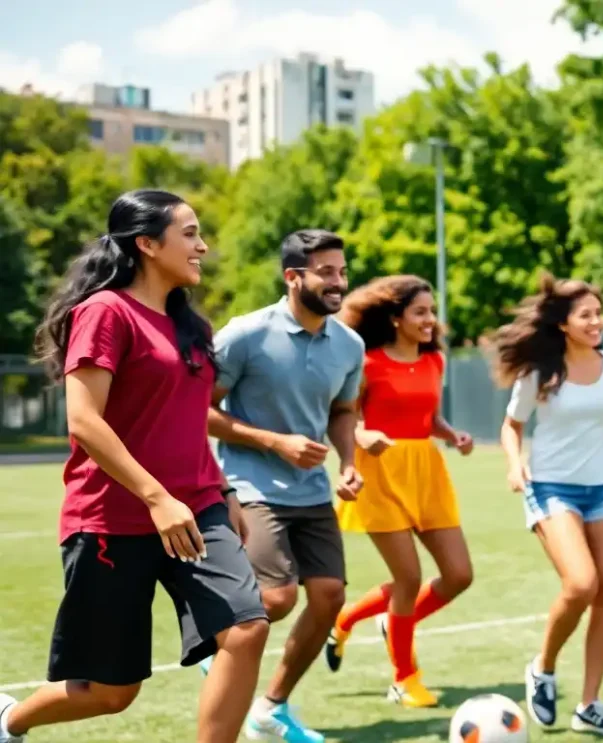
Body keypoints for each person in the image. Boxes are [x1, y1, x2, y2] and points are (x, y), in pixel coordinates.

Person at [0, 190, 269, 743]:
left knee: (247, 628)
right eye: (190, 234)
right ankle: (9, 721)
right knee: (111, 692)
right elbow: (85, 421)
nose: (203, 246)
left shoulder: (192, 327)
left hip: (196, 510)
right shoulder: (104, 312)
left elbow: (191, 422)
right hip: (111, 520)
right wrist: (155, 498)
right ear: (147, 244)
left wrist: (224, 494)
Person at [204, 229, 366, 743]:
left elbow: (343, 412)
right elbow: (200, 411)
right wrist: (274, 442)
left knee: (329, 595)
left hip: (313, 489)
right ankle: (218, 647)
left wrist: (347, 462)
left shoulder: (349, 344)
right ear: (293, 277)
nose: (338, 282)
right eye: (327, 272)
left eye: (342, 271)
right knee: (275, 598)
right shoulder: (245, 334)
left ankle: (271, 709)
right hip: (250, 485)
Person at [495, 274, 603, 735]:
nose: (596, 321)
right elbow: (511, 425)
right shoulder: (540, 371)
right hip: (551, 487)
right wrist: (513, 462)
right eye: (585, 315)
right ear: (563, 324)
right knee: (581, 583)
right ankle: (542, 668)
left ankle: (590, 705)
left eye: (598, 313)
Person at [324, 275, 476, 707]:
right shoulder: (367, 363)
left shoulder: (435, 362)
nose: (430, 320)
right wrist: (363, 434)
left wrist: (452, 435)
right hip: (380, 473)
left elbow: (429, 417)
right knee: (408, 577)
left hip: (425, 470)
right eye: (420, 312)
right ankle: (403, 679)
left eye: (432, 311)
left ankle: (350, 618)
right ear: (395, 319)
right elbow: (344, 416)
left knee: (459, 575)